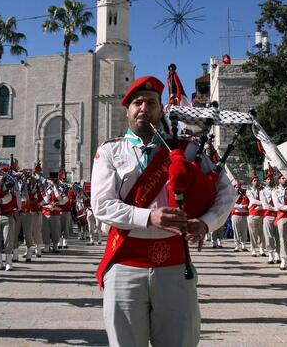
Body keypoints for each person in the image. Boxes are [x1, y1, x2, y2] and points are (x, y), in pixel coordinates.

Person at [91, 75, 235, 347]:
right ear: (128, 111)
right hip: (125, 262)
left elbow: (227, 191)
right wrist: (148, 217)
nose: (144, 108)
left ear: (161, 110)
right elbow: (101, 204)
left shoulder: (188, 149)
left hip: (174, 263)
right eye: (138, 102)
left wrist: (206, 223)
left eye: (152, 102)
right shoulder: (111, 151)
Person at [272, 173, 287, 270]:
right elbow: (278, 205)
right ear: (279, 180)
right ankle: (283, 260)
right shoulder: (276, 191)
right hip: (281, 217)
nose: (285, 180)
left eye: (286, 178)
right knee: (282, 239)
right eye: (282, 178)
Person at [261, 168, 280, 264]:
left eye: (271, 179)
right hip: (268, 215)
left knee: (278, 236)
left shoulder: (277, 190)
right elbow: (265, 205)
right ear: (265, 181)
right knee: (268, 236)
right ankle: (270, 254)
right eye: (268, 179)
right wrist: (277, 208)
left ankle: (278, 254)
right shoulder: (262, 191)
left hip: (278, 216)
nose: (270, 180)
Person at [246, 175, 265, 257]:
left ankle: (262, 248)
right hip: (253, 213)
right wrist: (263, 203)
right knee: (253, 233)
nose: (256, 182)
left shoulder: (261, 190)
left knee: (262, 233)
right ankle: (253, 249)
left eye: (257, 180)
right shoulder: (249, 190)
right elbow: (253, 200)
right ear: (252, 182)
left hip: (261, 213)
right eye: (255, 181)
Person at [231, 182, 249, 252]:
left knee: (244, 230)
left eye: (239, 187)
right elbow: (232, 205)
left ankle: (243, 244)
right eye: (236, 187)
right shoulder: (232, 196)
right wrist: (241, 206)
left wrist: (239, 207)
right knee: (236, 231)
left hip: (244, 215)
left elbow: (246, 205)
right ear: (234, 188)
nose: (238, 189)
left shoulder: (244, 196)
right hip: (235, 215)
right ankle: (237, 245)